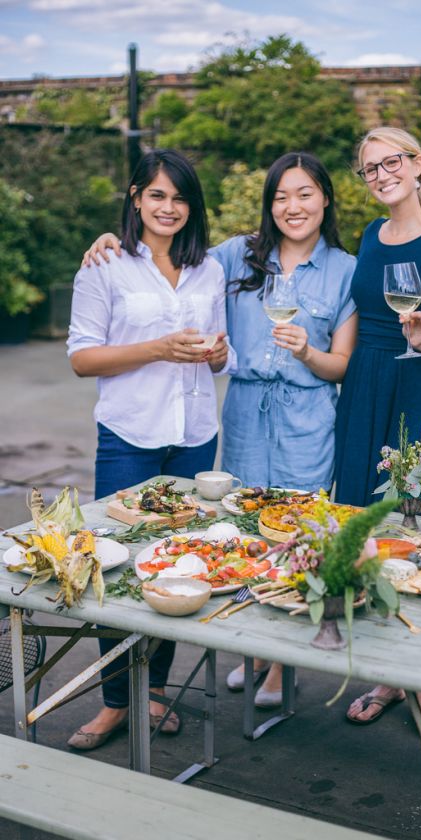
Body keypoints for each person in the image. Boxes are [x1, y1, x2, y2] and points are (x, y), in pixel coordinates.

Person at [82, 151, 358, 707]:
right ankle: (238, 657)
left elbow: (344, 367)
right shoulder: (235, 256)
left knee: (297, 534)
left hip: (305, 416)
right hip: (240, 414)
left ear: (326, 198)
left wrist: (307, 352)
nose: (292, 206)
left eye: (304, 194)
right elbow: (166, 250)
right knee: (241, 533)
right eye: (280, 196)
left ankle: (277, 662)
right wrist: (109, 237)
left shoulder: (346, 269)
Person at [67, 149, 235, 749]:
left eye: (180, 197)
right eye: (157, 195)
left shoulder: (209, 269)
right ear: (136, 196)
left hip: (193, 436)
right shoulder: (105, 265)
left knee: (175, 564)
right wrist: (157, 348)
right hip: (129, 437)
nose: (169, 208)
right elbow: (83, 357)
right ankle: (115, 702)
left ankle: (155, 692)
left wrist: (218, 356)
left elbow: (223, 352)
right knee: (113, 567)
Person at [335, 126, 421, 738]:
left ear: (418, 165)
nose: (381, 174)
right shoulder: (370, 235)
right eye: (370, 168)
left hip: (419, 390)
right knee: (366, 529)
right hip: (364, 387)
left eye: (391, 162)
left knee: (410, 532)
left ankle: (419, 679)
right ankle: (391, 675)